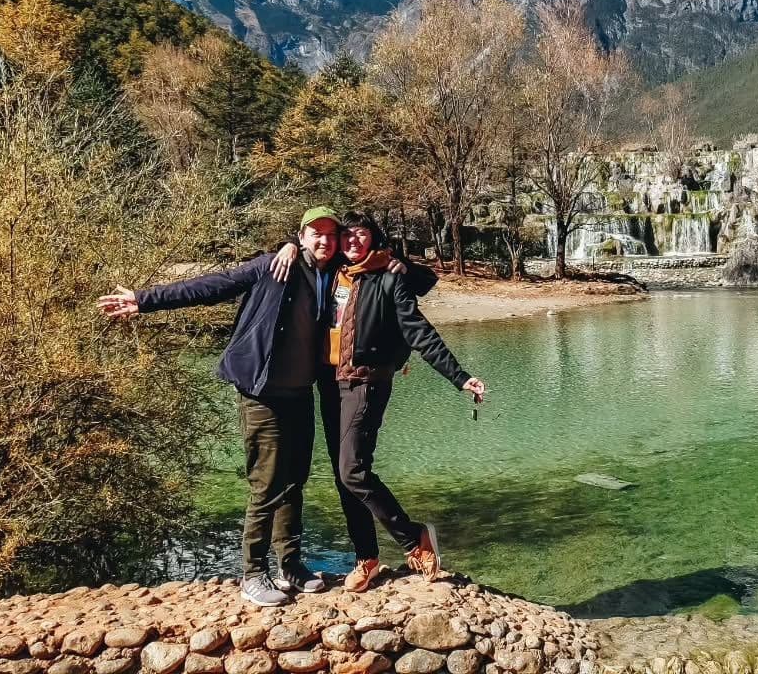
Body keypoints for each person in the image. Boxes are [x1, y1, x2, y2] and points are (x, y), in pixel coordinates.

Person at [97, 207, 344, 607]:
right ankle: (252, 574)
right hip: (262, 393)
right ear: (301, 235)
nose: (324, 241)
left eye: (331, 235)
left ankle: (291, 566)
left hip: (300, 393)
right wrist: (144, 300)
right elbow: (213, 285)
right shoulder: (273, 266)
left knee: (294, 481)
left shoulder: (330, 274)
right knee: (266, 484)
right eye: (316, 233)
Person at [276, 212, 486, 592]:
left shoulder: (388, 277)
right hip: (329, 383)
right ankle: (367, 558)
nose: (353, 241)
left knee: (352, 470)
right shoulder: (334, 272)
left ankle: (413, 538)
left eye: (362, 235)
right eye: (347, 235)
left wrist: (460, 376)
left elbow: (419, 330)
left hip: (366, 384)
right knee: (346, 478)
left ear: (374, 239)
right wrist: (289, 245)